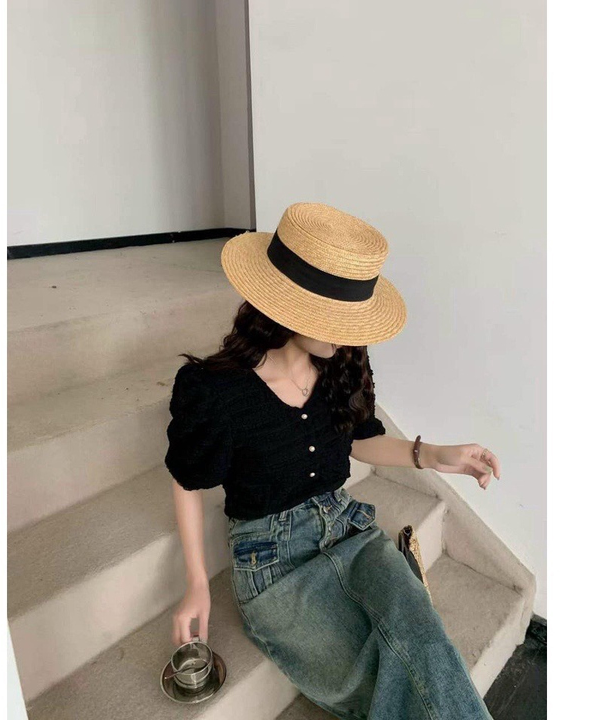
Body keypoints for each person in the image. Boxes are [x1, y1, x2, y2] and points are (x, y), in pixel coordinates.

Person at [164, 202, 500, 719]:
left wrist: (432, 455)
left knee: (428, 651)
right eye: (335, 320)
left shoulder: (340, 360)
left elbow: (358, 440)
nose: (346, 335)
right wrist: (195, 582)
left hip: (349, 529)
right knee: (373, 687)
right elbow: (188, 481)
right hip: (272, 563)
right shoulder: (214, 390)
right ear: (287, 307)